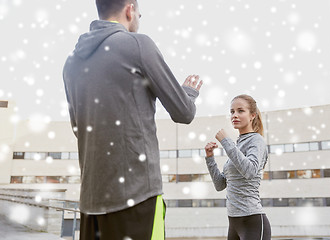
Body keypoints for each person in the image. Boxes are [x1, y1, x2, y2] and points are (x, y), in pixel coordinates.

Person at [62, 0, 203, 239]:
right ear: (129, 9)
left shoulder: (71, 64)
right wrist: (188, 92)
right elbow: (183, 112)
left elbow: (79, 128)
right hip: (138, 198)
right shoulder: (138, 45)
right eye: (139, 12)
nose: (139, 17)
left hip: (91, 204)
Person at [204, 94, 271, 240]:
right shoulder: (238, 145)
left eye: (240, 111)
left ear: (252, 115)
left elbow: (250, 171)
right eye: (232, 112)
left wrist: (226, 141)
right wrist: (210, 158)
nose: (235, 115)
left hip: (252, 221)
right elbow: (220, 185)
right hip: (233, 222)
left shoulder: (256, 141)